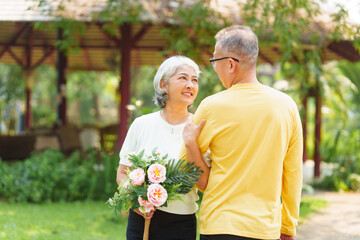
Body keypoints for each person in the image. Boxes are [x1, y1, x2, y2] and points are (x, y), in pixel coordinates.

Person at [180, 25, 303, 240]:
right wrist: (288, 226)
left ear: (230, 64)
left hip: (219, 226)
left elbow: (185, 168)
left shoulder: (211, 107)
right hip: (264, 229)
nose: (214, 69)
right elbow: (292, 172)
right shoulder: (287, 106)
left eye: (214, 61)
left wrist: (191, 146)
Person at [116, 55, 201, 240]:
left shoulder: (199, 128)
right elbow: (122, 173)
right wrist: (137, 202)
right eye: (182, 77)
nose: (190, 84)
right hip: (141, 221)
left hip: (181, 223)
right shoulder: (141, 124)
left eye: (195, 80)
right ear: (163, 85)